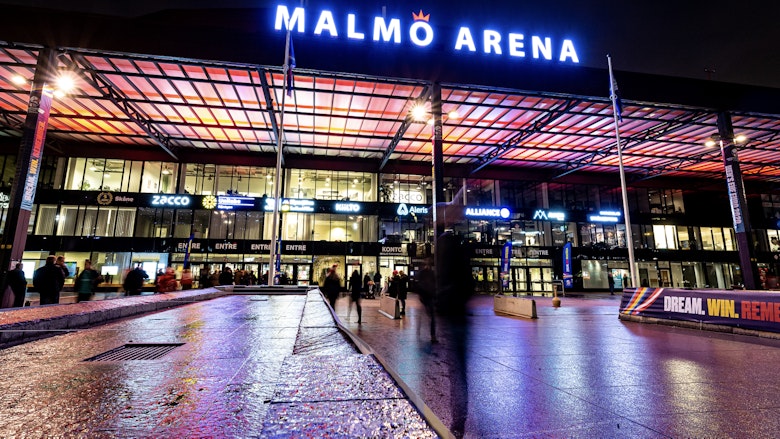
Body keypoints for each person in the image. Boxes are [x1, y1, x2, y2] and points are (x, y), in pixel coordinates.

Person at [415, 256, 437, 342]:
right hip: (425, 296)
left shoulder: (430, 273)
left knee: (431, 316)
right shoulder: (424, 273)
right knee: (430, 316)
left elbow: (433, 284)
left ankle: (432, 335)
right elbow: (419, 285)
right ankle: (431, 335)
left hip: (428, 296)